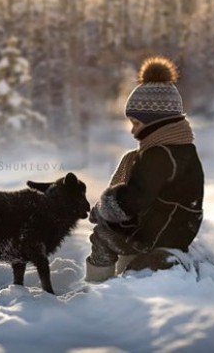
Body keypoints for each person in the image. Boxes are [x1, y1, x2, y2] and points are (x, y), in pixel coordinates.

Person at [85, 56, 204, 282]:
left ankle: (97, 289)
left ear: (156, 121)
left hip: (163, 233)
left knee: (102, 236)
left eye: (137, 123)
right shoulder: (181, 147)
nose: (132, 131)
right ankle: (126, 273)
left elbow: (135, 198)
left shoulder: (159, 154)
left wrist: (103, 208)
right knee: (123, 227)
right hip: (177, 226)